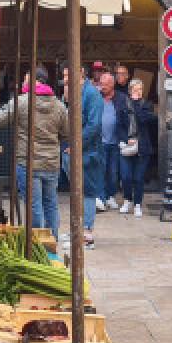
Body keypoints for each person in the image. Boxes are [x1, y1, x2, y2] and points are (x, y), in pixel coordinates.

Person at [0, 66, 68, 239]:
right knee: (51, 204)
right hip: (51, 163)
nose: (22, 84)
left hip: (28, 163)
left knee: (33, 205)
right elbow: (66, 133)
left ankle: (36, 242)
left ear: (35, 81)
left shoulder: (21, 102)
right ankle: (52, 241)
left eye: (25, 80)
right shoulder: (58, 106)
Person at [63, 66, 104, 249]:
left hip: (88, 153)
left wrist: (76, 146)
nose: (65, 79)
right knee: (77, 192)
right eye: (63, 75)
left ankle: (87, 235)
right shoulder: (76, 92)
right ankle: (77, 231)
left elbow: (93, 126)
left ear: (80, 71)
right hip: (77, 149)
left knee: (87, 193)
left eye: (68, 74)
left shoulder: (91, 94)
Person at [119, 77, 156, 216]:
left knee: (138, 178)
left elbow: (142, 119)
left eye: (140, 89)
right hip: (127, 145)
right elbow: (120, 125)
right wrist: (125, 139)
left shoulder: (147, 105)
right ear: (130, 91)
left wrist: (135, 103)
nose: (138, 92)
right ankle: (127, 200)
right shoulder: (123, 105)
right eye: (135, 89)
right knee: (126, 176)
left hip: (142, 146)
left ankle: (138, 204)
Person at [97, 72, 131, 212]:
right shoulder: (96, 97)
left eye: (106, 85)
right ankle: (101, 197)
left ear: (112, 85)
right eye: (101, 84)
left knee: (113, 172)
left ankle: (110, 196)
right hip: (99, 141)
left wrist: (128, 136)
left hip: (116, 141)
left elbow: (129, 119)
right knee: (100, 170)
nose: (103, 87)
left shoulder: (122, 98)